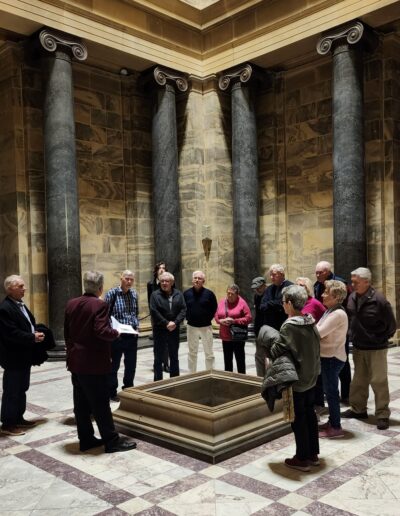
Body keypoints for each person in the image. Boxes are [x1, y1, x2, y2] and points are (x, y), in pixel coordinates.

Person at [64, 270, 137, 453]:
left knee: (81, 405)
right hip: (93, 364)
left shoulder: (71, 303)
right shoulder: (99, 305)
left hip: (76, 362)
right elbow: (101, 331)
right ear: (100, 288)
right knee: (101, 404)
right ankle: (111, 442)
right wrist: (116, 332)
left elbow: (67, 333)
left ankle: (86, 439)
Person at [266, 285, 320, 472]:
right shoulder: (309, 320)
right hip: (312, 375)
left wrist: (269, 340)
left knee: (298, 418)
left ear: (289, 303)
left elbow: (276, 350)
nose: (282, 305)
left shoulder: (290, 325)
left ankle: (302, 458)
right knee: (310, 413)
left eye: (283, 302)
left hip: (297, 378)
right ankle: (313, 454)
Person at [342, 267, 397, 430]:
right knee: (359, 380)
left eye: (355, 282)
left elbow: (391, 325)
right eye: (352, 282)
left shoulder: (379, 300)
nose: (352, 285)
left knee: (378, 381)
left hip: (376, 349)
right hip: (358, 347)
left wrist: (378, 338)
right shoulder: (352, 297)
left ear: (366, 282)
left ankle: (382, 414)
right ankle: (358, 409)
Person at [0, 275, 45, 436]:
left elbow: (26, 324)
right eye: (20, 286)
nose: (24, 288)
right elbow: (11, 333)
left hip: (24, 355)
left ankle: (18, 417)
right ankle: (8, 424)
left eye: (23, 285)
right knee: (12, 391)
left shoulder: (19, 304)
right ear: (10, 289)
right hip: (13, 357)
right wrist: (32, 337)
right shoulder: (5, 308)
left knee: (22, 388)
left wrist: (36, 331)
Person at [314, 260, 351, 405]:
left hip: (333, 352)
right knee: (329, 386)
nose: (322, 295)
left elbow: (319, 331)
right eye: (316, 272)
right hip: (328, 349)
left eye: (320, 272)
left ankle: (344, 398)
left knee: (332, 389)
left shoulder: (337, 311)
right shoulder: (328, 308)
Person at [317, 280, 348, 439]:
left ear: (335, 296)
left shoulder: (337, 314)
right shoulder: (331, 311)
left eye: (326, 292)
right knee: (330, 392)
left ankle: (336, 427)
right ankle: (332, 421)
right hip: (329, 356)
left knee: (331, 394)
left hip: (332, 358)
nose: (322, 295)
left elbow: (319, 332)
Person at [105, 270, 139, 402]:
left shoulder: (134, 294)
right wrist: (112, 330)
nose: (129, 281)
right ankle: (111, 391)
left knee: (131, 366)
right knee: (114, 366)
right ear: (121, 279)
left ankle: (128, 389)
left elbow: (135, 313)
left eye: (131, 279)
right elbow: (105, 315)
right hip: (117, 336)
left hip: (131, 335)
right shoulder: (112, 293)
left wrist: (137, 326)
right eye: (127, 279)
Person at [149, 272, 186, 381]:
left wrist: (176, 322)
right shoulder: (154, 295)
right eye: (162, 281)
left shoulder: (179, 294)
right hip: (160, 330)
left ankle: (174, 381)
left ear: (172, 282)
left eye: (167, 281)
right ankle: (158, 383)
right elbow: (154, 311)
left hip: (174, 330)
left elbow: (183, 309)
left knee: (174, 356)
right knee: (158, 358)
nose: (164, 283)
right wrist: (166, 323)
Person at [184, 270, 217, 373]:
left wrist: (207, 318)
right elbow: (183, 308)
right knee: (192, 353)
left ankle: (210, 373)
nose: (197, 280)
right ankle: (192, 374)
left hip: (206, 327)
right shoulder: (186, 294)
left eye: (199, 278)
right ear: (192, 280)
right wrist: (188, 317)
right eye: (195, 278)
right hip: (191, 326)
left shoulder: (209, 294)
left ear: (203, 281)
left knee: (209, 352)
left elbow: (214, 308)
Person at [215, 284, 252, 374]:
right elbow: (216, 316)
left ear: (237, 294)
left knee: (240, 360)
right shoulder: (222, 302)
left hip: (237, 336)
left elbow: (249, 318)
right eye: (228, 293)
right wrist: (221, 321)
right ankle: (229, 380)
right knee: (227, 361)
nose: (230, 295)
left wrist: (234, 321)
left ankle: (241, 379)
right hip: (225, 336)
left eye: (232, 294)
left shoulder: (242, 302)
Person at [147, 261, 169, 373]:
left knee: (166, 342)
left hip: (166, 316)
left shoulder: (169, 282)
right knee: (157, 342)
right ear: (156, 270)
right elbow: (149, 300)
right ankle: (158, 363)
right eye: (160, 268)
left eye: (163, 268)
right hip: (155, 317)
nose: (162, 269)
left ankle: (166, 364)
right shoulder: (151, 284)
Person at [260, 264, 293, 330]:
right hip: (270, 326)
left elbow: (284, 304)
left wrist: (269, 304)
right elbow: (262, 306)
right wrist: (275, 303)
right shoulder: (269, 289)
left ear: (282, 274)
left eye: (274, 275)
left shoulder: (290, 286)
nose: (271, 277)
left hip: (284, 325)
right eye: (270, 275)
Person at [252, 276, 268, 376]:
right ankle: (260, 378)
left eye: (259, 287)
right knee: (259, 356)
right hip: (259, 330)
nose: (257, 290)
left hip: (268, 330)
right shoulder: (256, 296)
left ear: (264, 285)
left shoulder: (269, 294)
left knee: (268, 357)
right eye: (255, 288)